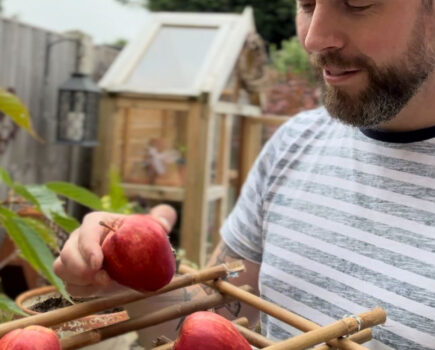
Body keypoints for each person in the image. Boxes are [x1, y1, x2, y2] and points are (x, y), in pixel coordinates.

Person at [54, 1, 435, 349]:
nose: (314, 37)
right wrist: (123, 278)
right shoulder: (295, 143)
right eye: (306, 4)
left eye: (356, 2)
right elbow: (208, 322)